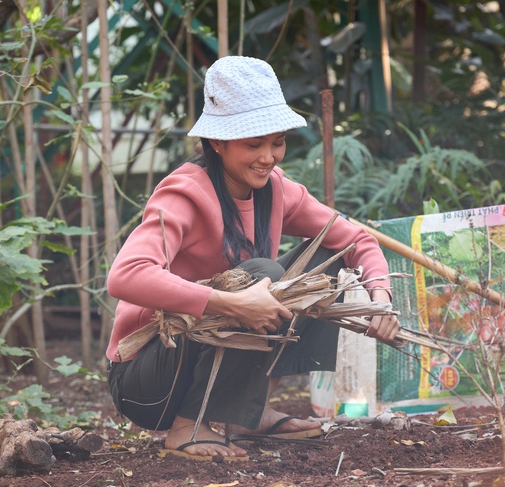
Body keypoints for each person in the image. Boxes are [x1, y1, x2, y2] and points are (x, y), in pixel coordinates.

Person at [105, 55, 400, 460]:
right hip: (150, 380)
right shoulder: (184, 194)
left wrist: (380, 297)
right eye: (253, 144)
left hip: (200, 357)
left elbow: (354, 241)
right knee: (262, 274)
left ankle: (247, 413)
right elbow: (124, 276)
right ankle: (188, 426)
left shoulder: (277, 189)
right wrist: (230, 302)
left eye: (277, 142)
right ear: (217, 143)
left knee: (328, 257)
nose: (268, 157)